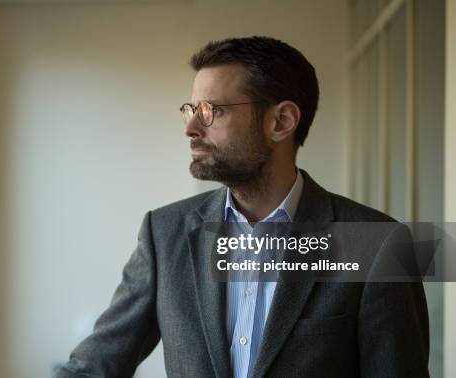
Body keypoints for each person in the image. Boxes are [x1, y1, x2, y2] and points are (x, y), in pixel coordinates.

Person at [54, 36, 429, 378]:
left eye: (212, 110)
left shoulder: (376, 243)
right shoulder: (164, 233)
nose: (191, 128)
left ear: (281, 121)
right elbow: (92, 369)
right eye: (191, 109)